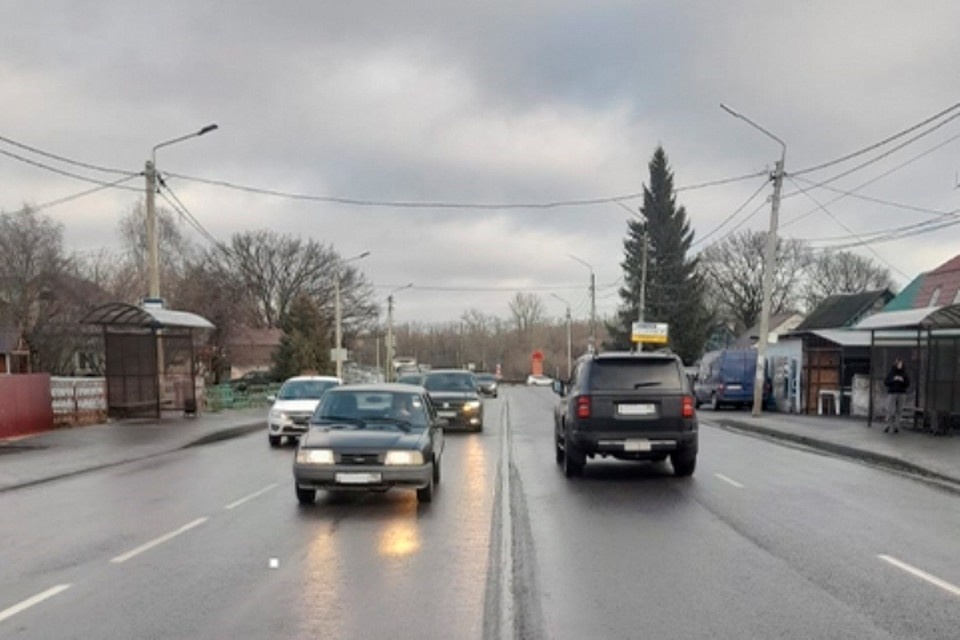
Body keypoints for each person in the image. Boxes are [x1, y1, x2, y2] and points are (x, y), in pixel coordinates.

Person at [883, 358, 910, 433]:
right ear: (895, 364)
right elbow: (886, 382)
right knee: (890, 410)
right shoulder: (891, 373)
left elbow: (908, 384)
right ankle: (888, 425)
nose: (900, 365)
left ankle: (896, 426)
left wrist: (902, 381)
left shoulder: (904, 373)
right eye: (898, 364)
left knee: (899, 410)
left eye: (901, 364)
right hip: (892, 392)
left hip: (902, 393)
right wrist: (893, 379)